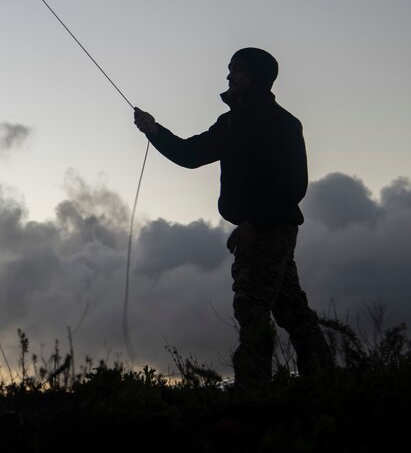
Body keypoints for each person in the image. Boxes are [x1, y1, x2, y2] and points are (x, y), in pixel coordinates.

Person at [133, 47, 330, 393]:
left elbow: (293, 184)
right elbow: (190, 154)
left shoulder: (282, 123)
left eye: (237, 70)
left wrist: (254, 224)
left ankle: (253, 391)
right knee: (291, 309)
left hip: (270, 229)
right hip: (255, 229)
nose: (229, 76)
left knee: (250, 306)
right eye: (230, 69)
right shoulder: (229, 124)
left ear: (256, 76)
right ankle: (324, 382)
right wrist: (153, 130)